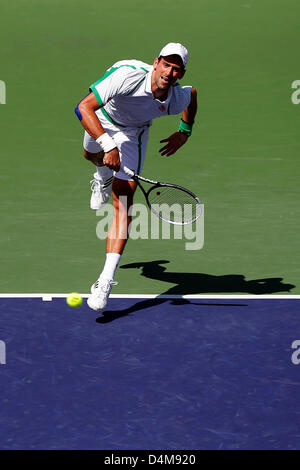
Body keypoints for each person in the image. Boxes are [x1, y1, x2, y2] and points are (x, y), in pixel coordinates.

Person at [75, 42, 198, 311]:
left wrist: (184, 131)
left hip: (134, 136)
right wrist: (108, 145)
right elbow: (82, 108)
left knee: (123, 205)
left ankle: (105, 280)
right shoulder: (126, 76)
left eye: (176, 69)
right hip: (102, 116)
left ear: (181, 74)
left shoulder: (177, 98)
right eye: (166, 64)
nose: (169, 72)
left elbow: (193, 95)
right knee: (90, 156)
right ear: (156, 62)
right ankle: (102, 175)